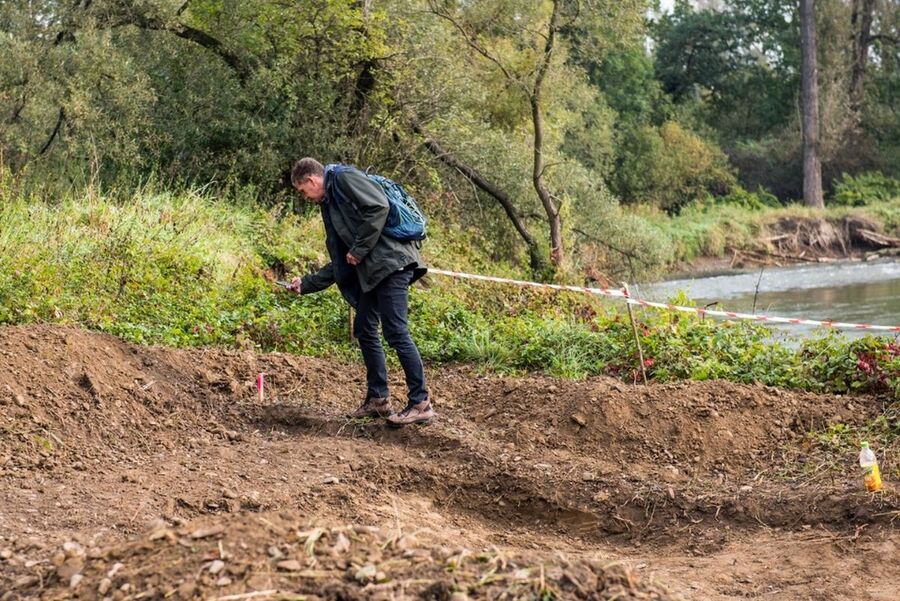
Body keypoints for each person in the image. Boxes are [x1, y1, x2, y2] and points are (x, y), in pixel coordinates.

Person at [287, 157, 434, 426]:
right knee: (365, 328)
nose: (304, 197)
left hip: (392, 265)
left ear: (311, 180)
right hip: (374, 272)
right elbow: (342, 258)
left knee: (396, 331)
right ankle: (379, 400)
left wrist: (359, 249)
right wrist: (306, 284)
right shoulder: (331, 202)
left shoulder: (343, 179)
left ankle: (420, 402)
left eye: (302, 191)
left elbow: (378, 207)